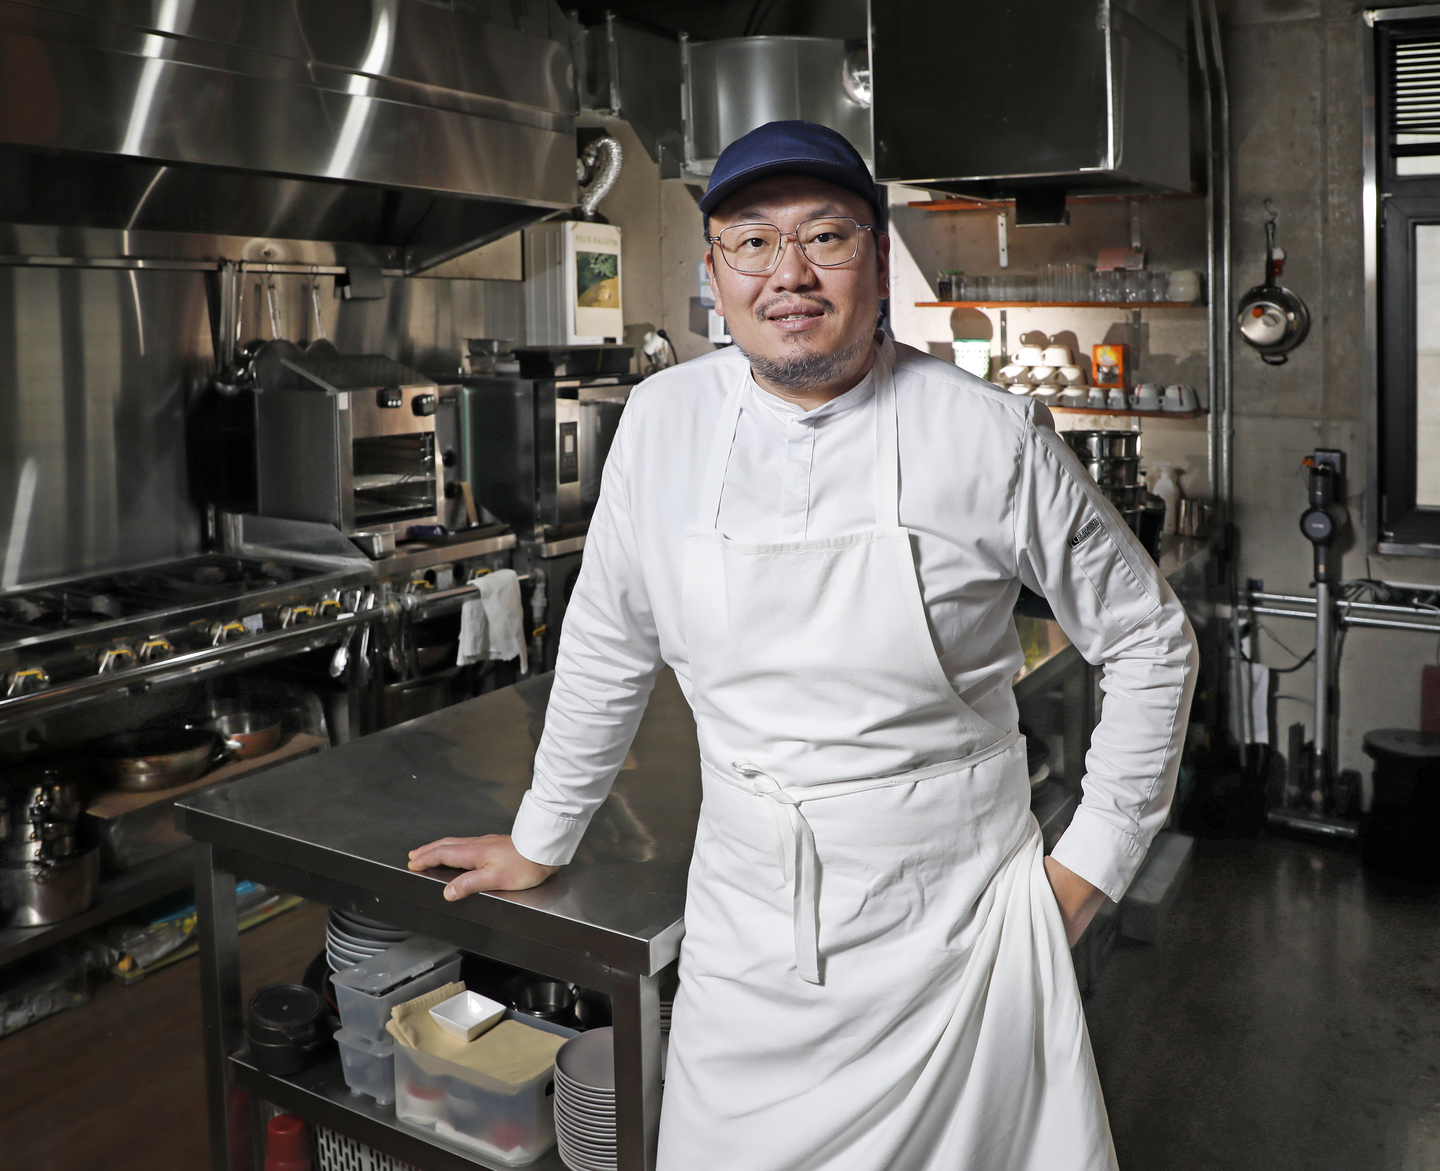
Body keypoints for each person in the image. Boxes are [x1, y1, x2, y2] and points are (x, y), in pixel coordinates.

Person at [408, 120, 1197, 1170]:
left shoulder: (988, 435)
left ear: (876, 256)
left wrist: (1084, 874)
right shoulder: (662, 423)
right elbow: (606, 643)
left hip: (959, 942)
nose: (790, 275)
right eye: (753, 242)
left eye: (826, 237)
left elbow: (1149, 639)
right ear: (715, 270)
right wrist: (542, 837)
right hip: (746, 947)